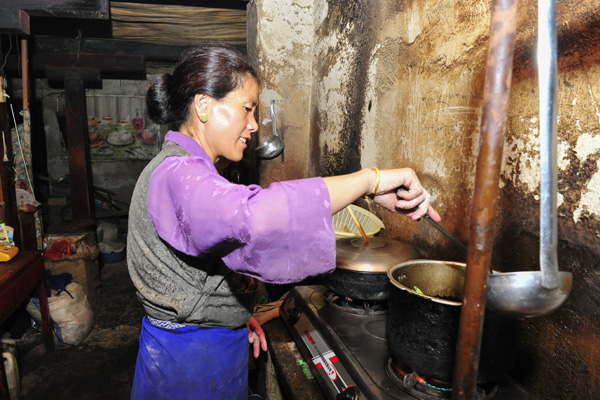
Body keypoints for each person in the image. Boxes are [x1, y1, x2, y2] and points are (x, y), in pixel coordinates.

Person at [127, 44, 440, 400]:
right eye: (246, 109)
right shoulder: (178, 173)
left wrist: (231, 315)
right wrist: (371, 180)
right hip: (188, 368)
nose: (254, 124)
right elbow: (255, 216)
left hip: (202, 348)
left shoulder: (188, 169)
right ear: (203, 105)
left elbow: (192, 272)